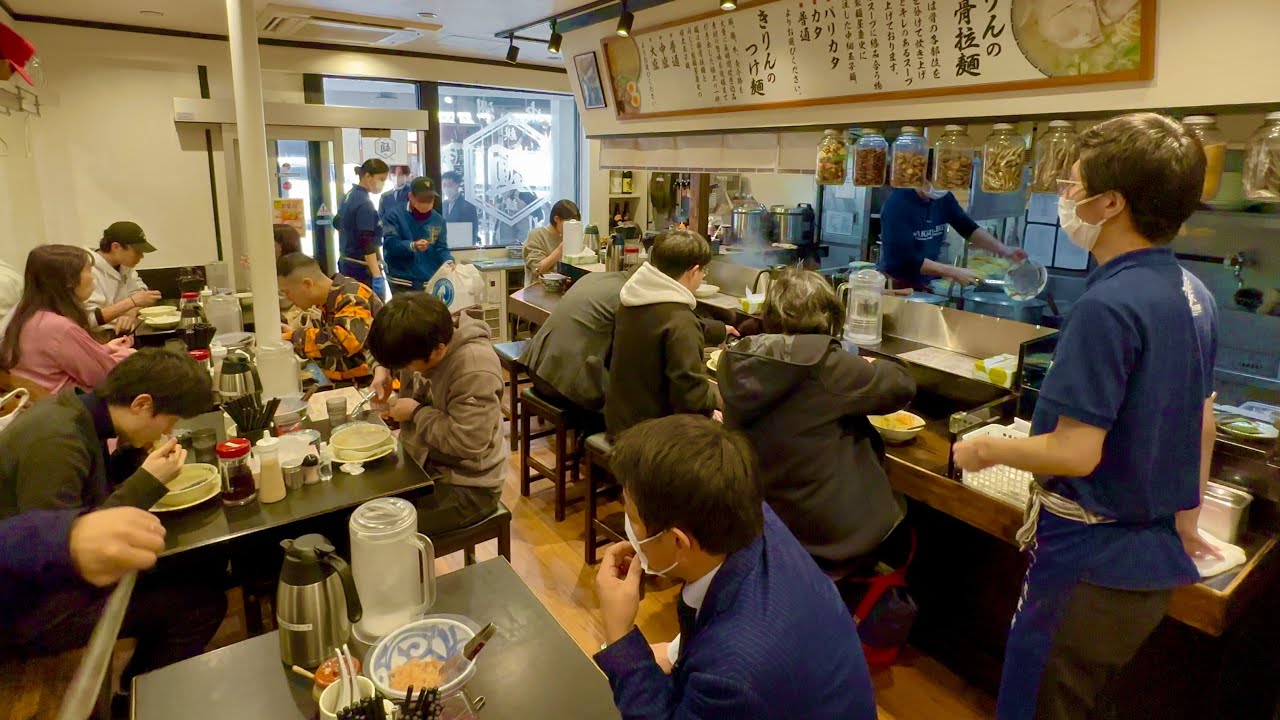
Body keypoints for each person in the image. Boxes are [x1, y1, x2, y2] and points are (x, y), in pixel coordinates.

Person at [951, 113, 1220, 720]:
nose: (1066, 197)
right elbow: (1202, 424)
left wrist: (984, 447)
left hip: (1089, 558)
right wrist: (1185, 524)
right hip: (1149, 562)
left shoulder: (1109, 304)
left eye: (1073, 185)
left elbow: (1075, 452)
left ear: (1111, 203)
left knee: (1037, 705)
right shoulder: (1194, 293)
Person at [594, 414, 878, 720]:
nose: (629, 526)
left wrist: (620, 635)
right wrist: (678, 653)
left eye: (632, 515)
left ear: (678, 541)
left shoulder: (731, 678)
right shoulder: (748, 514)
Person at [0, 350, 225, 689]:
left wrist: (129, 457)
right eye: (171, 420)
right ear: (141, 404)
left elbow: (87, 497)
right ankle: (140, 695)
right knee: (200, 603)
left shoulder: (77, 415)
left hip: (49, 590)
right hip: (35, 612)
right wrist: (147, 482)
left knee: (202, 566)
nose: (170, 430)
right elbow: (70, 551)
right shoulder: (57, 440)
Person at [718, 269, 917, 567]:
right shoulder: (827, 365)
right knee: (904, 515)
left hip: (764, 518)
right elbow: (902, 385)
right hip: (824, 535)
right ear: (830, 316)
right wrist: (866, 362)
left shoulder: (735, 359)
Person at [367, 293, 505, 534]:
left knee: (375, 531)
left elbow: (467, 442)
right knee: (357, 502)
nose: (404, 370)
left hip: (468, 486)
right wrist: (382, 369)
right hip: (422, 461)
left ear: (438, 350)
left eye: (406, 365)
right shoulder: (424, 333)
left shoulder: (474, 369)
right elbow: (375, 346)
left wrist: (415, 412)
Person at [603, 229, 729, 437]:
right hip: (649, 437)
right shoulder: (681, 321)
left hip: (619, 422)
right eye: (703, 271)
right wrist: (716, 403)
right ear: (693, 271)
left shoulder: (631, 301)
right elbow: (690, 398)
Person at [0, 245, 135, 395]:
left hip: (34, 400)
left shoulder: (25, 314)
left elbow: (65, 356)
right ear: (69, 281)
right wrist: (128, 354)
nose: (92, 277)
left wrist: (106, 349)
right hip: (65, 404)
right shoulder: (60, 327)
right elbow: (102, 375)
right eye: (88, 270)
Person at [521, 270, 630, 420]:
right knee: (625, 404)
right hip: (560, 386)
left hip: (535, 368)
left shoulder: (592, 277)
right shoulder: (628, 295)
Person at [877, 184, 1026, 291]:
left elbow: (966, 227)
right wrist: (953, 272)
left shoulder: (943, 198)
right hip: (896, 286)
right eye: (937, 181)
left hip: (925, 282)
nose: (941, 187)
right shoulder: (897, 204)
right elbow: (904, 259)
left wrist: (1004, 250)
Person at [277, 252, 384, 384]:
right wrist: (292, 334)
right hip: (352, 381)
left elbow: (346, 341)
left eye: (287, 292)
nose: (288, 298)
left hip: (376, 383)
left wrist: (295, 338)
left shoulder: (352, 295)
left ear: (307, 284)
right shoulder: (326, 302)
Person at [85, 221, 163, 333]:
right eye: (137, 251)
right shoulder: (87, 269)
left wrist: (131, 312)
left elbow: (142, 297)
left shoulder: (124, 266)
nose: (141, 256)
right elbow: (90, 319)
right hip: (100, 336)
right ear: (116, 247)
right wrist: (131, 302)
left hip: (126, 332)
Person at [383, 177, 454, 294]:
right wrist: (412, 245)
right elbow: (390, 245)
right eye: (422, 199)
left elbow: (441, 248)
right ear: (411, 197)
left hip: (429, 281)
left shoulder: (438, 220)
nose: (426, 203)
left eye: (430, 199)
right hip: (402, 280)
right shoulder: (394, 216)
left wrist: (448, 260)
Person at [337, 158, 390, 298]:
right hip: (361, 269)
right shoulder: (365, 204)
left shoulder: (349, 195)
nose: (383, 184)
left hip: (346, 262)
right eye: (381, 179)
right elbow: (366, 241)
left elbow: (337, 222)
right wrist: (377, 274)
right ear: (368, 176)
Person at [522, 199, 581, 287]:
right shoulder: (536, 235)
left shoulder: (570, 237)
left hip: (565, 289)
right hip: (539, 290)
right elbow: (538, 270)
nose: (571, 228)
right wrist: (560, 250)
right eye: (568, 224)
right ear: (556, 219)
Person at [440, 170, 479, 245]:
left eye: (449, 184)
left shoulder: (468, 206)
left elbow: (473, 231)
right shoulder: (442, 205)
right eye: (444, 185)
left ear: (457, 185)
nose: (446, 188)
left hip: (461, 246)